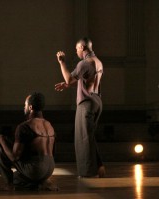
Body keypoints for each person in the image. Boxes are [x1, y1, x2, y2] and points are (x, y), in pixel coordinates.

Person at [55, 37, 105, 178]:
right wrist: (67, 84)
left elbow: (69, 79)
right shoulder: (98, 62)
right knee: (89, 137)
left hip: (86, 103)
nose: (76, 51)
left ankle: (88, 173)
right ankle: (99, 167)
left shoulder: (84, 63)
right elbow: (85, 79)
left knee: (83, 139)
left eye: (77, 49)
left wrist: (62, 62)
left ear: (82, 47)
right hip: (97, 101)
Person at [0, 92, 58, 191]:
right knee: (17, 176)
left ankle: (9, 184)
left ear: (30, 107)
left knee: (0, 142)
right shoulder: (49, 125)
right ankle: (42, 182)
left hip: (36, 170)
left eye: (25, 105)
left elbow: (14, 157)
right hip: (50, 169)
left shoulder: (24, 126)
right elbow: (52, 152)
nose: (24, 108)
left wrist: (2, 140)